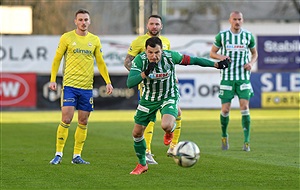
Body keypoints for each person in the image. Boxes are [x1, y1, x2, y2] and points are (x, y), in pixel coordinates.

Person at [127, 36, 229, 175]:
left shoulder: (171, 57)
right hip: (148, 99)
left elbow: (194, 60)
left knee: (166, 125)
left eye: (157, 52)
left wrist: (216, 65)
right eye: (150, 52)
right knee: (137, 133)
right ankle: (142, 164)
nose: (154, 56)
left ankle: (170, 131)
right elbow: (130, 83)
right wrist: (145, 73)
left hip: (169, 96)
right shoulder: (140, 60)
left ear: (162, 50)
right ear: (145, 51)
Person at [48, 9, 113, 165]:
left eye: (86, 20)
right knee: (66, 118)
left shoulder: (95, 40)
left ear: (89, 22)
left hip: (86, 87)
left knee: (83, 121)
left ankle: (77, 156)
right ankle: (58, 153)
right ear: (75, 22)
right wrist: (52, 79)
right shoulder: (67, 38)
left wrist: (108, 81)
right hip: (70, 85)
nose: (83, 22)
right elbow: (57, 59)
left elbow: (101, 62)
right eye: (80, 20)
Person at [124, 15, 182, 165]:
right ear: (147, 25)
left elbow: (168, 62)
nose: (154, 26)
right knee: (148, 119)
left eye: (157, 24)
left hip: (166, 86)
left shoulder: (165, 42)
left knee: (176, 112)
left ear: (161, 26)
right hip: (147, 87)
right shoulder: (138, 42)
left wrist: (171, 76)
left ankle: (172, 144)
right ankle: (148, 152)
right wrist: (142, 75)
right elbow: (127, 62)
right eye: (151, 24)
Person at [210, 11, 258, 152]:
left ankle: (247, 141)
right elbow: (212, 53)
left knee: (244, 108)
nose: (237, 22)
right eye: (235, 19)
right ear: (230, 20)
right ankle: (224, 136)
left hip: (243, 77)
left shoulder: (248, 36)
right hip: (227, 78)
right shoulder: (222, 36)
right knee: (225, 109)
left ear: (242, 20)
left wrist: (251, 63)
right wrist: (221, 56)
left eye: (239, 19)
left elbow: (255, 53)